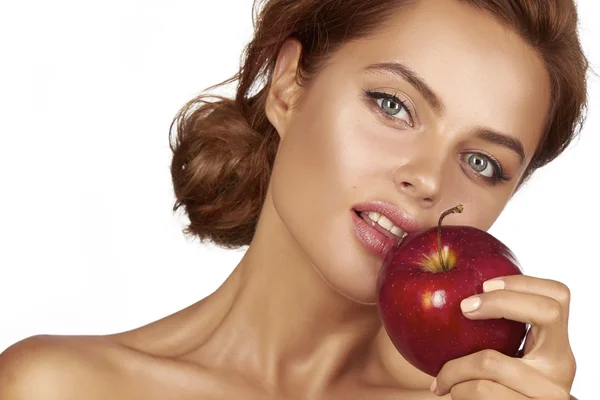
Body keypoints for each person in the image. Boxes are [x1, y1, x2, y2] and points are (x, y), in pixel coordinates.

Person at [0, 0, 589, 398]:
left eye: (481, 162)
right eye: (392, 105)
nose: (430, 179)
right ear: (287, 86)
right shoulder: (58, 386)